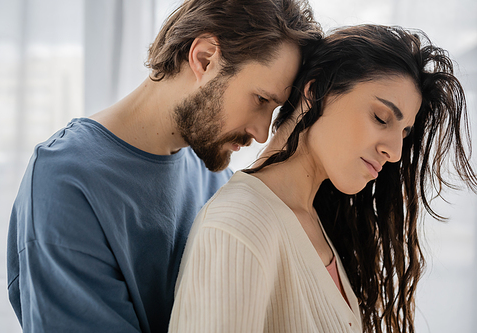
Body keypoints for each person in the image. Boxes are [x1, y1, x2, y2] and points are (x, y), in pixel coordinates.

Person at [6, 0, 322, 332]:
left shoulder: (215, 179)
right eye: (260, 100)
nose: (260, 133)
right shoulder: (66, 181)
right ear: (204, 58)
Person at [168, 25, 477, 333]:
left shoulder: (314, 221)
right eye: (381, 118)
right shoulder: (239, 224)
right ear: (316, 91)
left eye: (404, 133)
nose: (395, 151)